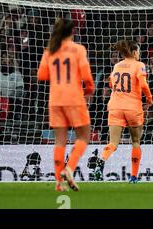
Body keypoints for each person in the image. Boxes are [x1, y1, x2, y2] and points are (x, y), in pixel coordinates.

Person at [37, 18, 94, 191]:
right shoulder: (78, 49)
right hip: (74, 98)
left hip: (55, 100)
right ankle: (69, 168)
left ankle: (58, 184)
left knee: (60, 141)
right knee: (84, 137)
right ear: (72, 32)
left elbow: (41, 75)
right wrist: (89, 89)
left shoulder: (50, 51)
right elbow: (86, 76)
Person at [94, 40, 153, 183]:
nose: (139, 54)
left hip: (115, 107)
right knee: (136, 142)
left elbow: (110, 83)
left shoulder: (116, 65)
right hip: (133, 107)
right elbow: (144, 84)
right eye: (138, 51)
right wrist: (149, 99)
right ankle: (133, 177)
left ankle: (101, 161)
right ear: (134, 52)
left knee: (113, 143)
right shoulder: (139, 65)